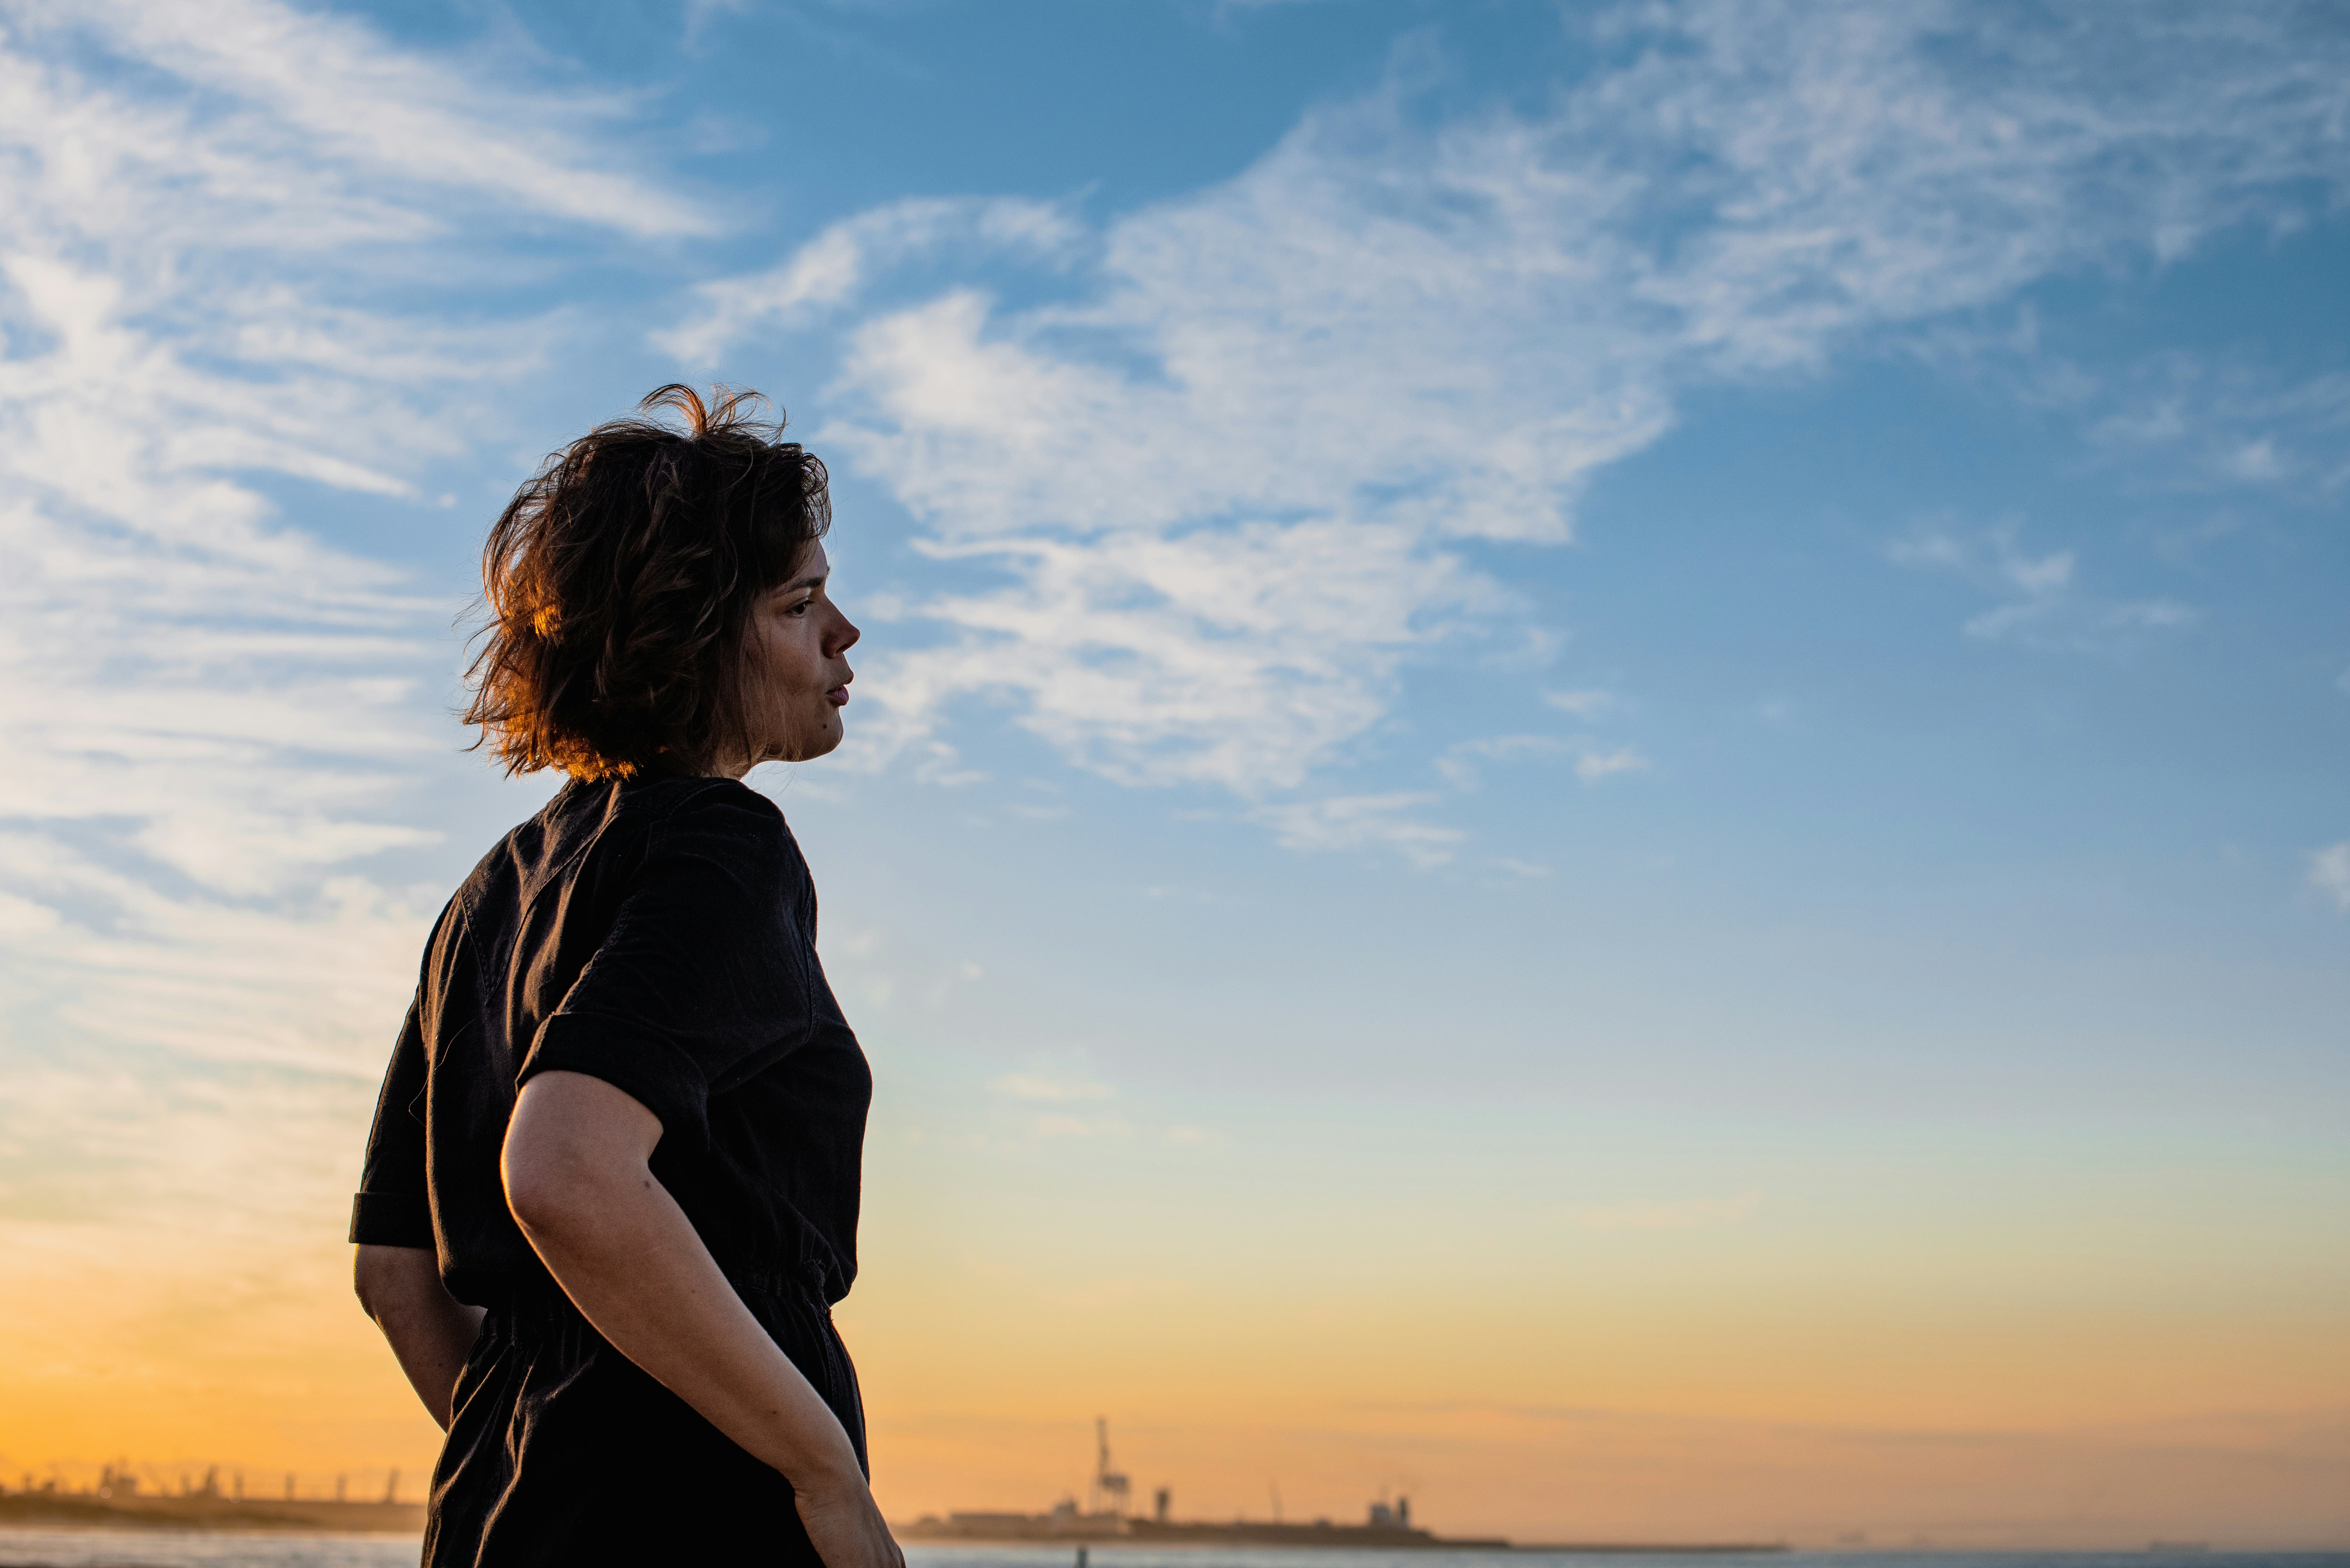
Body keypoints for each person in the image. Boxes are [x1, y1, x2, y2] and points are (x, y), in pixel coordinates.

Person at [348, 386, 897, 1568]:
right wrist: (825, 1480)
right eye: (801, 602)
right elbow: (565, 1168)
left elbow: (397, 1275)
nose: (844, 632)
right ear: (699, 636)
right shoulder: (724, 849)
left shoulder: (486, 898)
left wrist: (552, 1470)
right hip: (708, 1523)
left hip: (493, 1519)